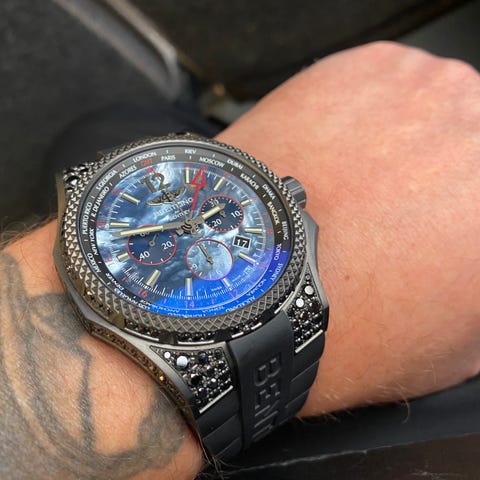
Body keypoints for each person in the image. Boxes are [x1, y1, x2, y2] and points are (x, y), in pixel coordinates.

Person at [0, 41, 479, 480]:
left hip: (203, 273)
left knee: (109, 127)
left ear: (290, 200)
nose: (189, 227)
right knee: (112, 127)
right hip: (160, 305)